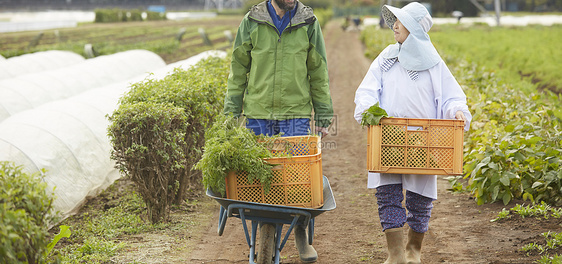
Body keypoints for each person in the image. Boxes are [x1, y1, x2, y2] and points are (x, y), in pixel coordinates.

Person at [353, 2, 472, 264]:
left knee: (421, 198)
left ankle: (413, 249)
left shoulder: (433, 63)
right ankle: (395, 253)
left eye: (401, 22)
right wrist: (367, 109)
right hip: (389, 136)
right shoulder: (387, 57)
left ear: (416, 29)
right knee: (388, 193)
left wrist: (457, 112)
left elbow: (452, 97)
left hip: (424, 140)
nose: (394, 25)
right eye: (395, 20)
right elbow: (367, 89)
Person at [223, 0, 333, 262]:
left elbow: (318, 71)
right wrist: (231, 114)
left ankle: (300, 233)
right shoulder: (252, 21)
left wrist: (324, 114)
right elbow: (238, 71)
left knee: (297, 180)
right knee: (257, 179)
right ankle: (262, 235)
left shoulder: (308, 22)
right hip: (258, 114)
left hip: (295, 114)